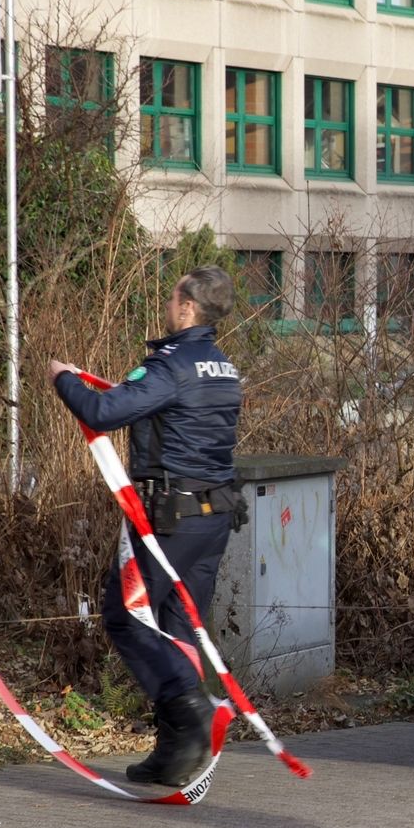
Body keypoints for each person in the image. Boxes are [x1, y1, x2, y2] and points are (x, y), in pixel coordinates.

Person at [49, 266, 245, 786]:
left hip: (170, 522)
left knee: (126, 616)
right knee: (179, 627)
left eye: (172, 295)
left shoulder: (172, 364)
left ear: (186, 307)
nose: (166, 302)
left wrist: (63, 377)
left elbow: (102, 411)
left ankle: (192, 710)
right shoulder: (223, 366)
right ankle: (176, 752)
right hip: (214, 518)